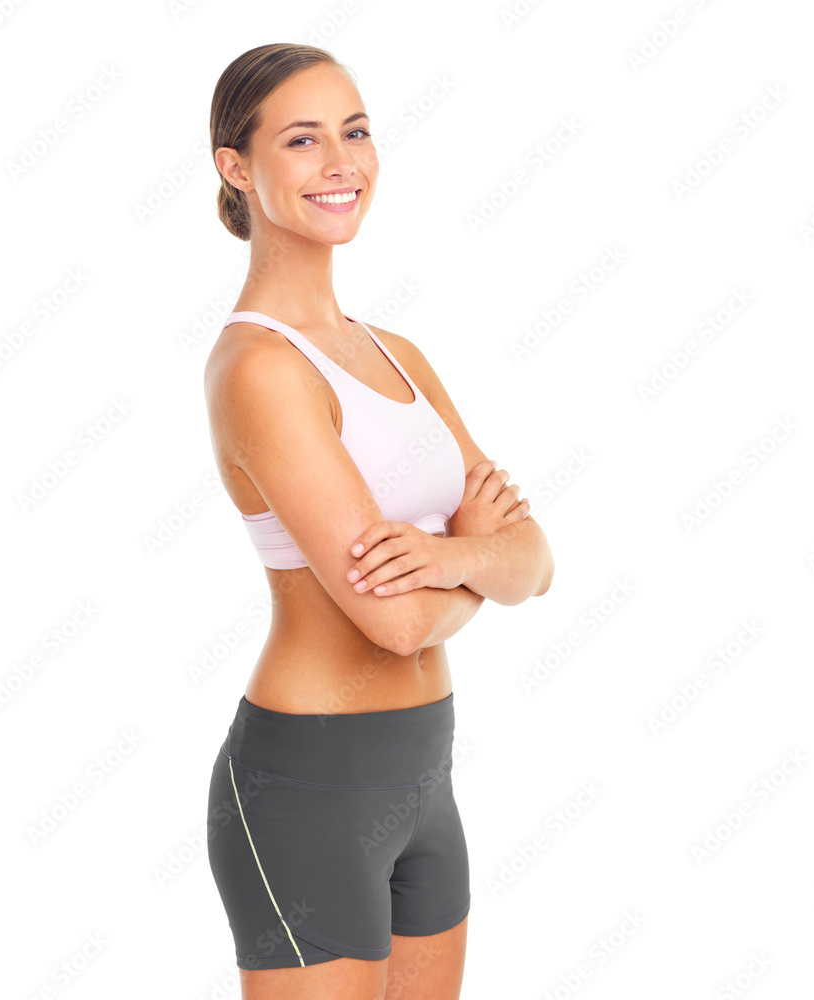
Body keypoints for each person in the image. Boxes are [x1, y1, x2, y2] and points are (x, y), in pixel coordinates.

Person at [203, 42, 555, 1000]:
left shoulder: (393, 352)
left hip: (424, 778)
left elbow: (538, 560)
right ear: (237, 166)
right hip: (308, 789)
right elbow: (392, 623)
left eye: (354, 133)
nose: (341, 162)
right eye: (303, 140)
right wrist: (479, 563)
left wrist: (453, 557)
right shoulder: (259, 370)